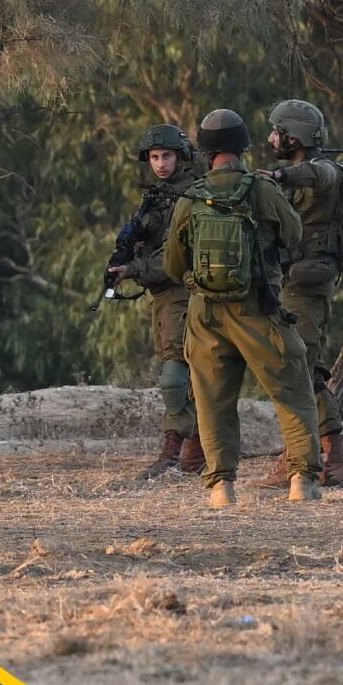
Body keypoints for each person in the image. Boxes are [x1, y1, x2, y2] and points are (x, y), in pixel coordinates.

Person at [162, 108, 324, 507]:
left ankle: (221, 487)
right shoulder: (262, 189)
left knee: (213, 401)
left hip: (206, 315)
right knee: (292, 391)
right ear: (243, 146)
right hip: (259, 309)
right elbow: (293, 234)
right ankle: (302, 481)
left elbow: (172, 265)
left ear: (204, 150)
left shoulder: (192, 197)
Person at [260, 98, 343, 487]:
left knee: (299, 368)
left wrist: (281, 177)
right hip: (291, 278)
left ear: (293, 135)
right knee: (295, 368)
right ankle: (305, 453)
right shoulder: (304, 172)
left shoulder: (326, 171)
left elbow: (320, 176)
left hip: (306, 282)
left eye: (277, 131)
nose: (272, 138)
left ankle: (327, 458)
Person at [111, 122, 203, 477]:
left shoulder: (190, 195)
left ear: (181, 157)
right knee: (178, 372)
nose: (160, 163)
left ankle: (175, 450)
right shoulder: (158, 195)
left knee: (174, 375)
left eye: (166, 156)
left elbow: (176, 257)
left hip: (183, 290)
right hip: (164, 296)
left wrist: (132, 268)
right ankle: (191, 451)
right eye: (154, 157)